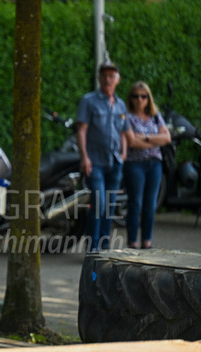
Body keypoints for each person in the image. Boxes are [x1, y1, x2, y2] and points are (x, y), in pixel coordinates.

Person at [77, 61, 132, 252]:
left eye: (111, 76)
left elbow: (123, 131)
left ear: (118, 80)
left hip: (115, 162)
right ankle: (92, 247)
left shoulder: (121, 105)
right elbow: (82, 130)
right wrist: (84, 157)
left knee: (109, 205)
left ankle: (104, 245)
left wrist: (123, 153)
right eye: (104, 75)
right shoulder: (89, 101)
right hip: (95, 162)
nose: (108, 79)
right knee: (99, 203)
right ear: (99, 78)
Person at [123, 81, 171, 249]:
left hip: (154, 164)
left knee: (150, 205)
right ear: (131, 98)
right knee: (135, 203)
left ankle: (147, 242)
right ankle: (132, 242)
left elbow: (167, 138)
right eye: (136, 96)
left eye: (144, 96)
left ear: (148, 98)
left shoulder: (156, 116)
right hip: (135, 164)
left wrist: (145, 137)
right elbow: (132, 142)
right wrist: (155, 139)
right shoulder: (127, 117)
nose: (140, 100)